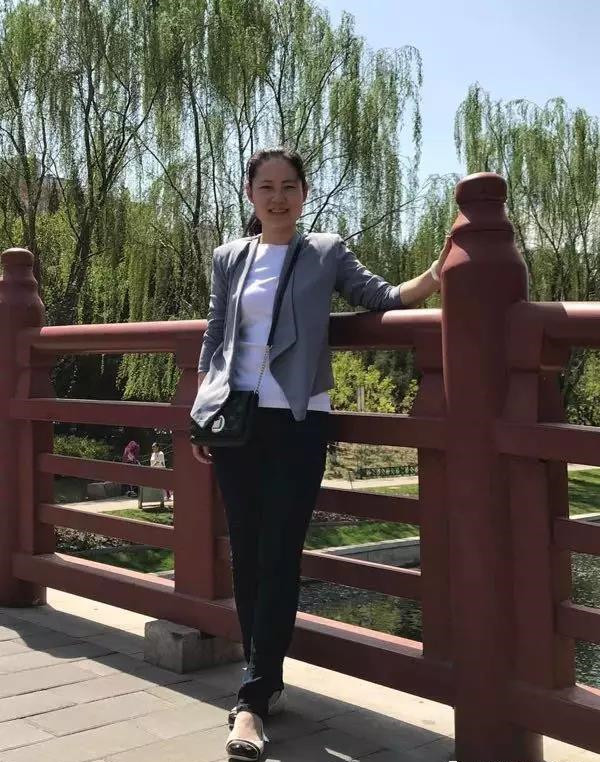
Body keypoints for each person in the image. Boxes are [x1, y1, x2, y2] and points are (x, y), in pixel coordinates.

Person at [190, 147, 451, 761]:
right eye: (266, 187)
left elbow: (379, 296)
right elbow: (215, 333)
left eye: (289, 186)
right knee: (246, 553)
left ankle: (252, 702)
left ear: (304, 193)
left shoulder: (325, 251)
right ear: (250, 195)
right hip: (235, 421)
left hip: (298, 420)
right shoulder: (230, 256)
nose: (278, 198)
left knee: (279, 553)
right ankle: (264, 679)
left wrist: (434, 277)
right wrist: (203, 411)